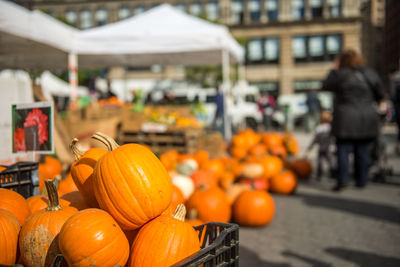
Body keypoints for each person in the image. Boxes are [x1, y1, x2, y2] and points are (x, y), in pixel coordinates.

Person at [322, 49, 384, 191]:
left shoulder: (340, 74)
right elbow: (380, 93)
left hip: (345, 117)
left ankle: (343, 179)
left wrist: (333, 70)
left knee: (343, 150)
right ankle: (361, 180)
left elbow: (325, 85)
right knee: (362, 149)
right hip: (367, 116)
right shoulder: (370, 73)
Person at [306, 111, 333, 180]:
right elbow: (316, 139)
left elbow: (315, 139)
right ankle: (324, 173)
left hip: (324, 147)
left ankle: (323, 174)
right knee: (325, 161)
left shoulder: (320, 128)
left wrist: (311, 146)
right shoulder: (327, 127)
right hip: (325, 147)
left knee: (324, 161)